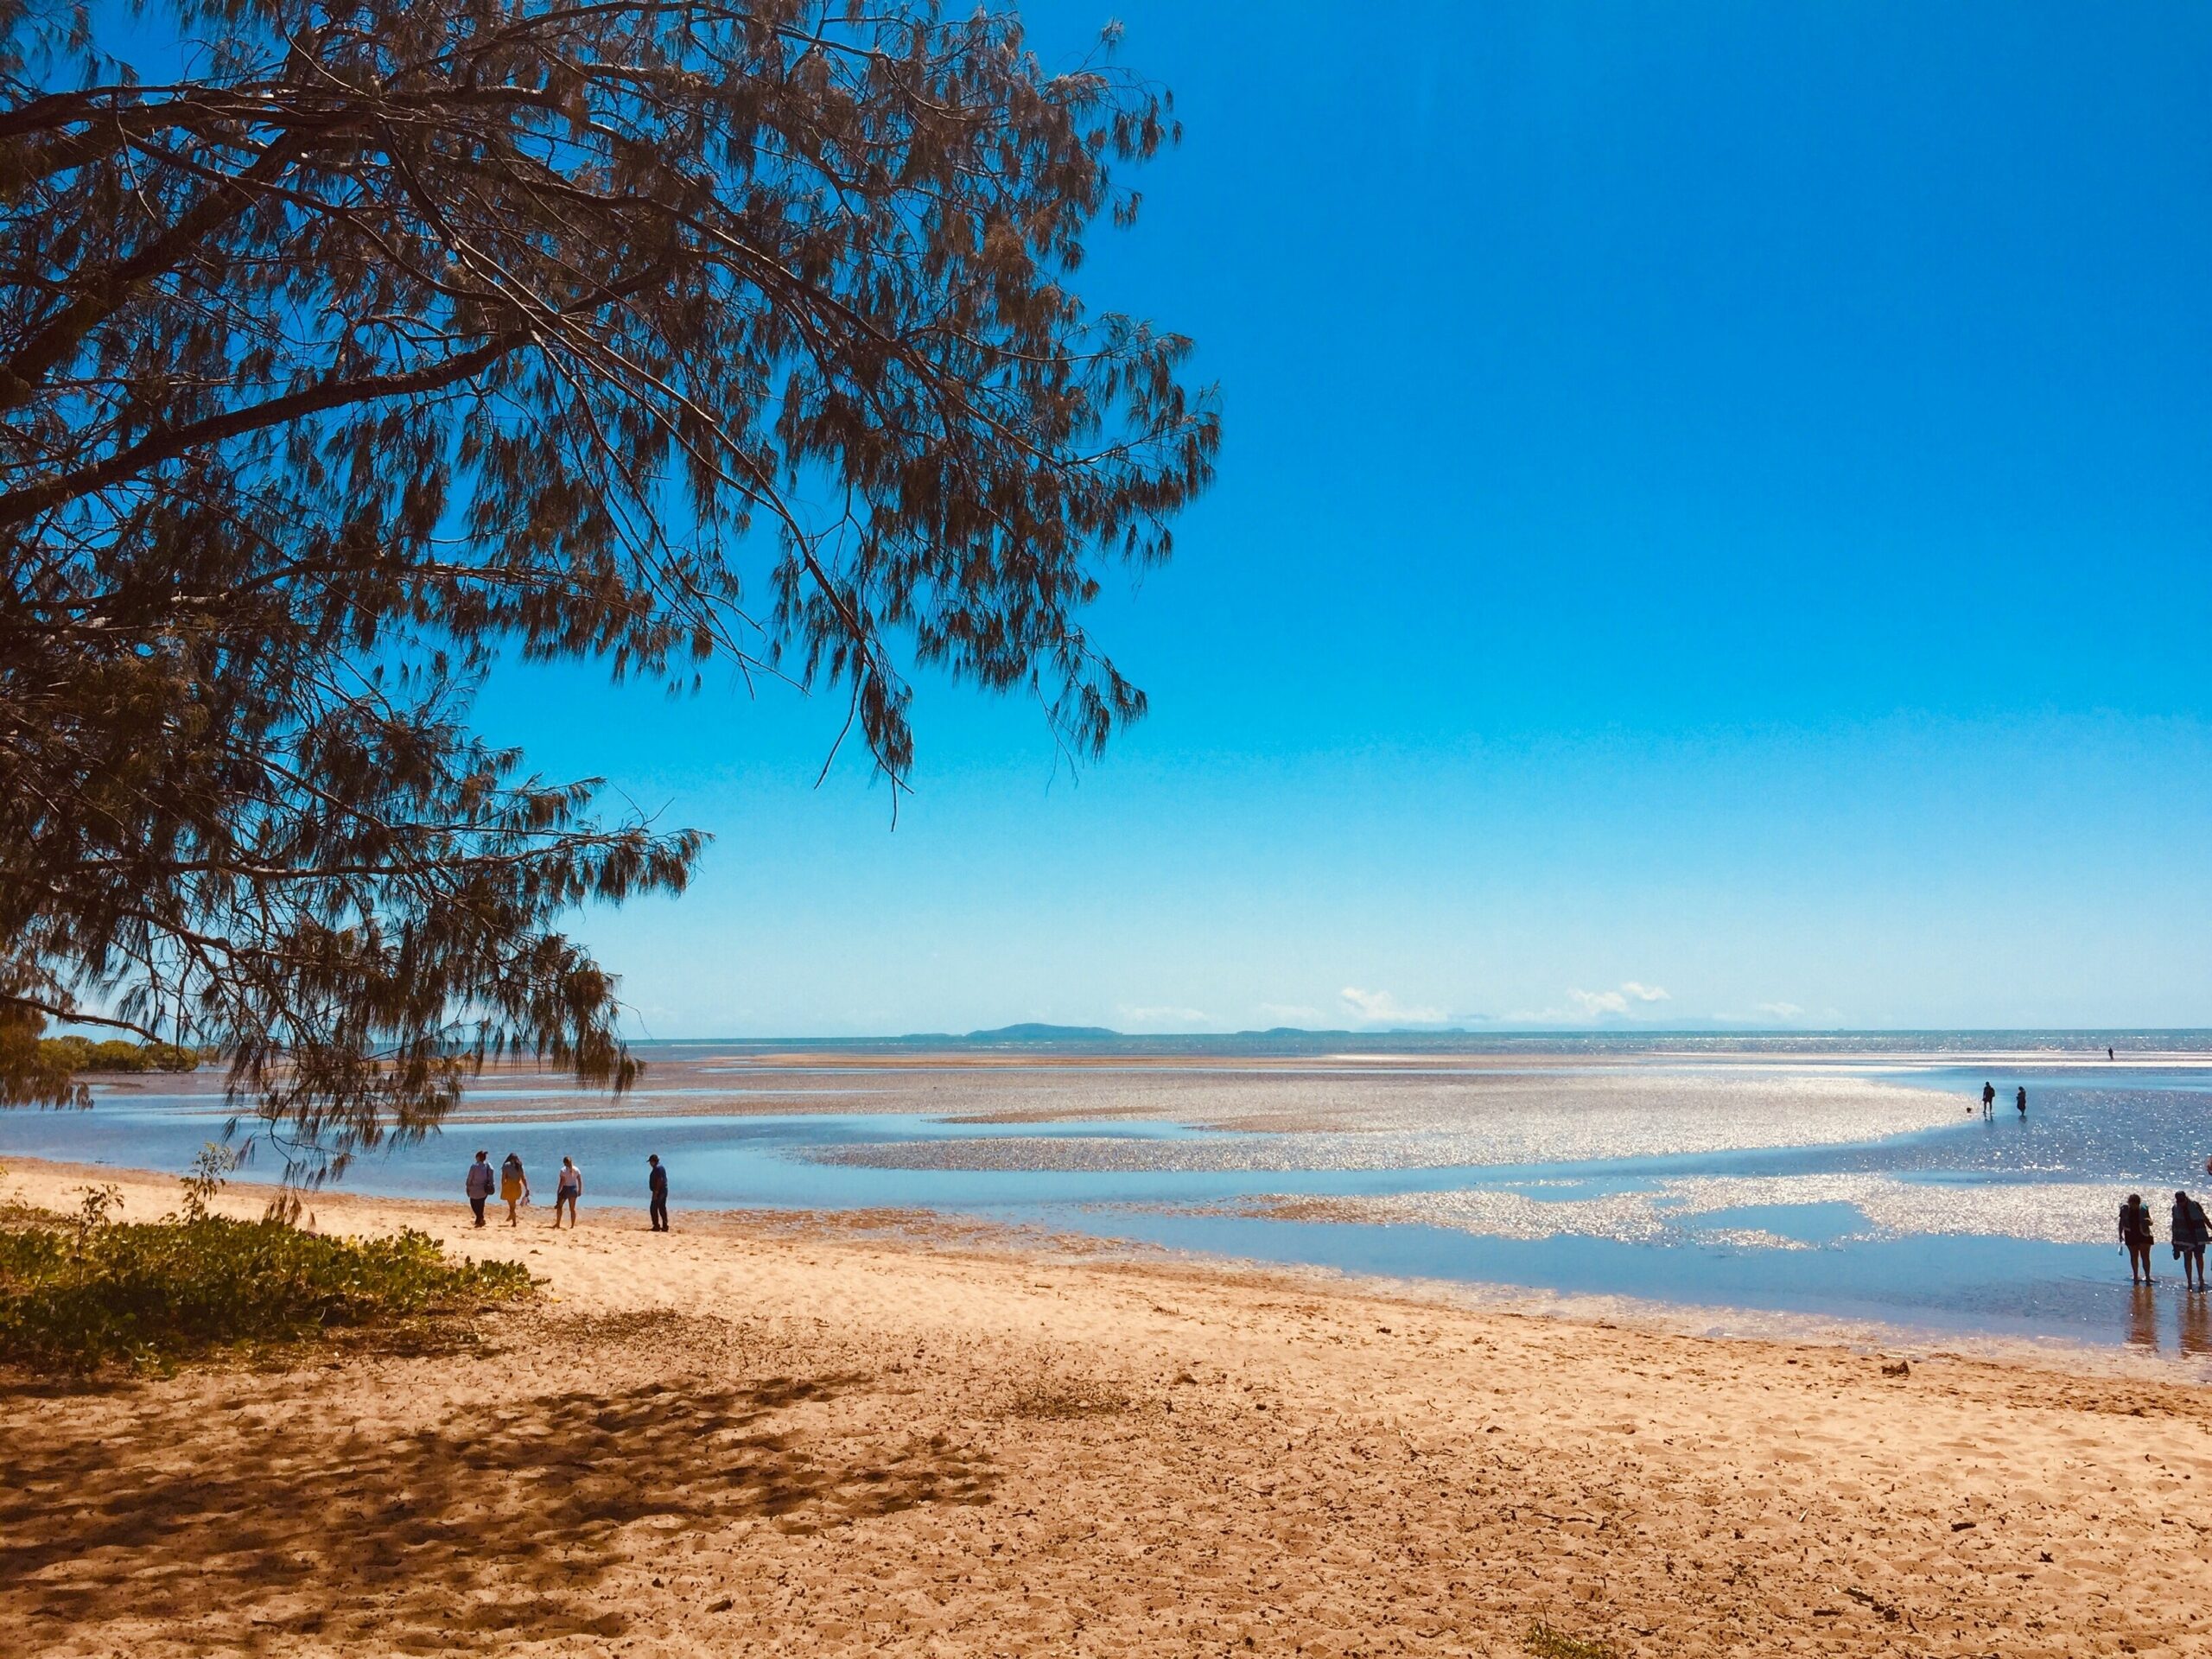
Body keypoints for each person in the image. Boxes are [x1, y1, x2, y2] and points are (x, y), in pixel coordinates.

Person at [2171, 1190, 2209, 1293]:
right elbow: (2174, 1224)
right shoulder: (2175, 1208)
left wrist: (2211, 1227)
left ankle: (2201, 1280)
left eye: (2182, 1201)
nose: (2181, 1203)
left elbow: (2204, 1218)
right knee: (2187, 1258)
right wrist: (2174, 1240)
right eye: (2179, 1201)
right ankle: (2189, 1282)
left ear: (2186, 1198)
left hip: (2198, 1235)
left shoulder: (2195, 1205)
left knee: (2199, 1257)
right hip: (2185, 1237)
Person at [2120, 1193, 2156, 1285]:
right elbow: (2121, 1222)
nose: (2132, 1206)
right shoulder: (2125, 1209)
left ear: (2138, 1203)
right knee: (2134, 1256)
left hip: (2144, 1235)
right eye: (2130, 1203)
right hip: (2130, 1235)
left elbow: (2150, 1221)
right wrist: (2120, 1234)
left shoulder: (2143, 1209)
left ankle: (2147, 1277)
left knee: (2145, 1257)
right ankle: (2135, 1276)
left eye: (2134, 1204)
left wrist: (2150, 1222)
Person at [465, 1149, 495, 1228]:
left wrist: (468, 1186)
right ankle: (479, 1220)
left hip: (474, 1189)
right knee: (481, 1205)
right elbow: (491, 1174)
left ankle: (480, 1218)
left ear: (478, 1157)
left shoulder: (474, 1166)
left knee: (474, 1204)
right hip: (484, 1189)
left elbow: (470, 1178)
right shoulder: (487, 1165)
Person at [552, 1156, 583, 1229]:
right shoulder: (577, 1169)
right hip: (573, 1189)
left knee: (559, 1207)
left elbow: (562, 1182)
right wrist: (580, 1190)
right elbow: (579, 1180)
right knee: (572, 1209)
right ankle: (572, 1226)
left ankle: (558, 1224)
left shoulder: (563, 1170)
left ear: (564, 1163)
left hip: (565, 1189)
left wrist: (558, 1191)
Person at [499, 1151, 530, 1227]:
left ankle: (514, 1221)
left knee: (511, 1205)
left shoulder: (506, 1165)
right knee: (513, 1202)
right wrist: (527, 1188)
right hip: (517, 1186)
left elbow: (503, 1177)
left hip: (509, 1186)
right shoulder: (520, 1166)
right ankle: (512, 1215)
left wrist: (503, 1186)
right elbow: (523, 1178)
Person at [647, 1153, 670, 1232]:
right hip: (662, 1190)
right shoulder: (659, 1167)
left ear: (654, 1161)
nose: (650, 1163)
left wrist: (656, 1192)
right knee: (661, 1208)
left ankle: (657, 1226)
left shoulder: (658, 1168)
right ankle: (664, 1226)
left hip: (660, 1191)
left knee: (654, 1208)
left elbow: (660, 1180)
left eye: (650, 1162)